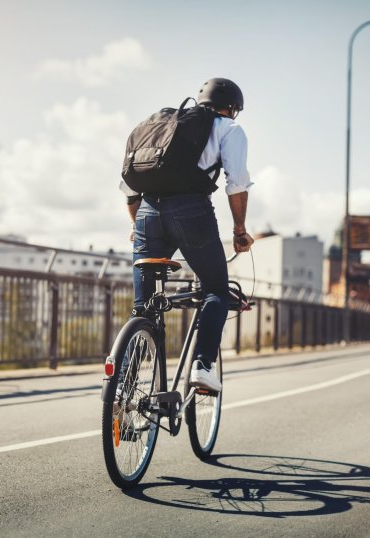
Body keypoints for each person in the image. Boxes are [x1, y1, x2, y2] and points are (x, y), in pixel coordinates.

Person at [119, 77, 254, 392]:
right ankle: (203, 366)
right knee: (216, 291)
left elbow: (129, 189)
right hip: (191, 213)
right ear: (233, 108)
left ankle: (123, 387)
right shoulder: (229, 129)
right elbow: (237, 183)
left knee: (144, 307)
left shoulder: (162, 127)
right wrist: (239, 231)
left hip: (148, 214)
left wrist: (135, 225)